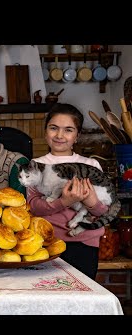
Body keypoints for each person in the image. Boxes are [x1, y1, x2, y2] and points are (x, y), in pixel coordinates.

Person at [26, 103, 107, 280]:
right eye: (53, 128)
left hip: (84, 245)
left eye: (68, 130)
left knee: (81, 297)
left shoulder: (91, 166)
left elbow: (103, 212)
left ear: (77, 136)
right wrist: (64, 202)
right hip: (45, 243)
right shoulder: (36, 164)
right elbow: (33, 207)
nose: (60, 135)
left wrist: (92, 203)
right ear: (45, 131)